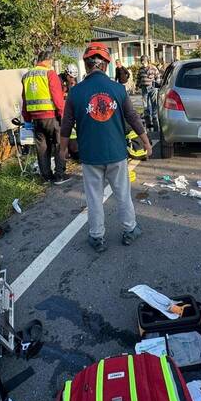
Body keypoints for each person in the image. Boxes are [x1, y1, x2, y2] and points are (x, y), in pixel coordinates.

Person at [60, 42, 152, 253]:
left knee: (94, 197)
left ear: (86, 64)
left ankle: (96, 237)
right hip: (116, 153)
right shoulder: (118, 89)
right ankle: (130, 230)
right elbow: (133, 118)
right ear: (105, 65)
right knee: (122, 194)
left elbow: (66, 125)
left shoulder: (75, 93)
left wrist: (62, 151)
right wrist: (146, 142)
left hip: (90, 155)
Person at [21, 51, 69, 185]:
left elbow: (24, 100)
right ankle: (59, 175)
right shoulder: (49, 73)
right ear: (48, 61)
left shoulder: (26, 76)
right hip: (51, 117)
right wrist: (63, 115)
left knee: (42, 148)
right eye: (51, 63)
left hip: (36, 120)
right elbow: (57, 97)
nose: (52, 65)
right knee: (59, 145)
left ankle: (46, 177)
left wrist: (27, 119)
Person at [136, 55, 161, 128]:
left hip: (152, 87)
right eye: (142, 62)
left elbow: (158, 76)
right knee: (145, 103)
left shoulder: (153, 68)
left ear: (147, 61)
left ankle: (154, 116)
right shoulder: (140, 69)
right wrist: (137, 86)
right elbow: (138, 78)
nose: (143, 63)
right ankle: (147, 117)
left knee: (154, 102)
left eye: (144, 62)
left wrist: (157, 83)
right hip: (144, 88)